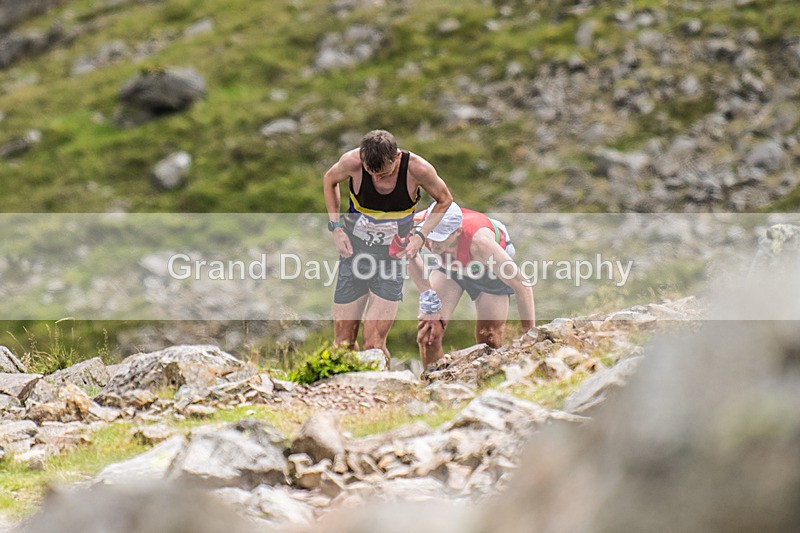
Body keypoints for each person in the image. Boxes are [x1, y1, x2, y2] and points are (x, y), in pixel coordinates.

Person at [323, 130, 453, 366]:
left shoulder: (417, 169)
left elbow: (444, 199)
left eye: (384, 173)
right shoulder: (351, 161)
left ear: (396, 157)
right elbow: (329, 180)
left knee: (373, 344)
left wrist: (420, 235)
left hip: (390, 260)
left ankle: (383, 393)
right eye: (372, 174)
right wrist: (335, 228)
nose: (378, 180)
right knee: (342, 344)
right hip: (355, 254)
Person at [410, 201, 535, 368]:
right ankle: (432, 386)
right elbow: (408, 255)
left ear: (457, 232)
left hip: (488, 272)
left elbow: (523, 286)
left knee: (488, 340)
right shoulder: (417, 225)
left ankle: (487, 386)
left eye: (439, 238)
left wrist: (531, 334)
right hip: (449, 267)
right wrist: (427, 296)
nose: (432, 245)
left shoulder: (481, 243)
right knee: (428, 335)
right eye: (430, 236)